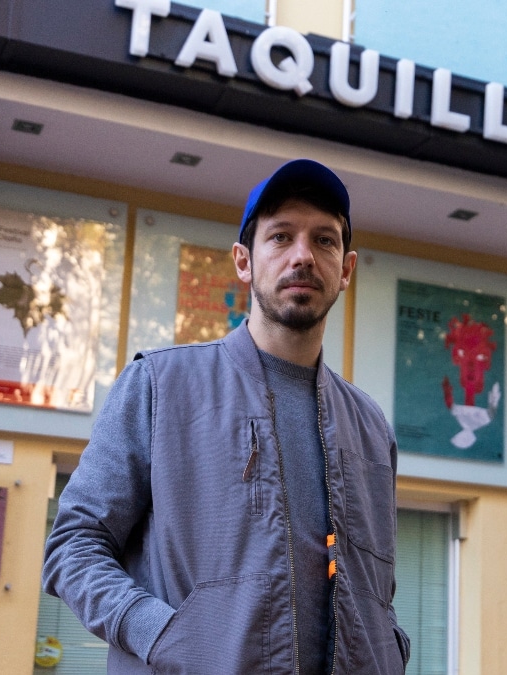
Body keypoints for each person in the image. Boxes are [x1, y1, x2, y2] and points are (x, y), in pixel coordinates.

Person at [44, 159, 409, 674]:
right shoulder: (159, 386)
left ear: (346, 269)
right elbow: (74, 546)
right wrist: (162, 634)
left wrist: (390, 650)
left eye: (324, 241)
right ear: (244, 261)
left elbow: (378, 591)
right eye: (281, 237)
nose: (303, 256)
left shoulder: (371, 427)